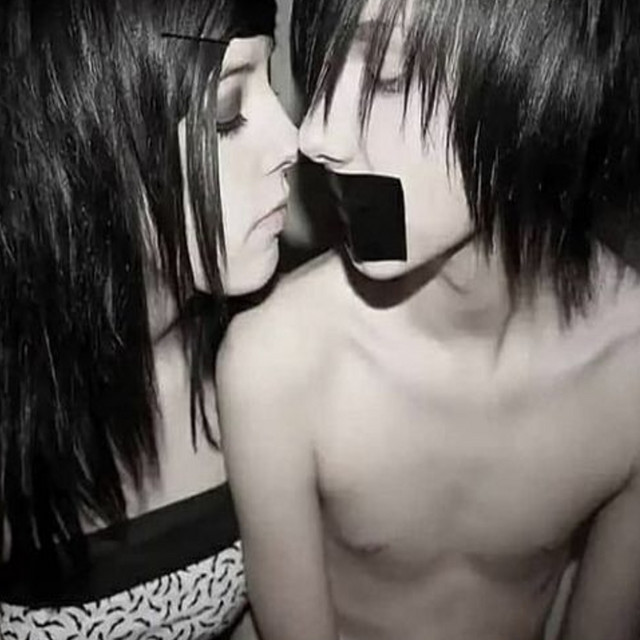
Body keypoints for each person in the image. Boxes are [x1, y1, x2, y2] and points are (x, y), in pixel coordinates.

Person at [217, 0, 640, 639]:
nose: (316, 135)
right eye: (322, 70)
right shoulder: (279, 362)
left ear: (545, 81)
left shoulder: (628, 365)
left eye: (386, 73)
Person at [0, 0, 296, 638]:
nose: (291, 141)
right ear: (84, 141)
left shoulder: (271, 347)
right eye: (227, 110)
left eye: (270, 82)